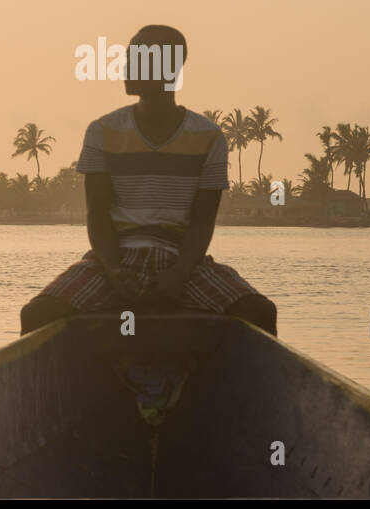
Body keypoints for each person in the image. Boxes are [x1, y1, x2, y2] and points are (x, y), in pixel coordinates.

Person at [20, 25, 277, 335]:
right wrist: (115, 270)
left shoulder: (208, 137)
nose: (125, 68)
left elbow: (202, 220)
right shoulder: (102, 130)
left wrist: (179, 273)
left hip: (185, 263)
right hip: (115, 259)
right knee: (37, 315)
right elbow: (97, 214)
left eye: (136, 60)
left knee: (259, 313)